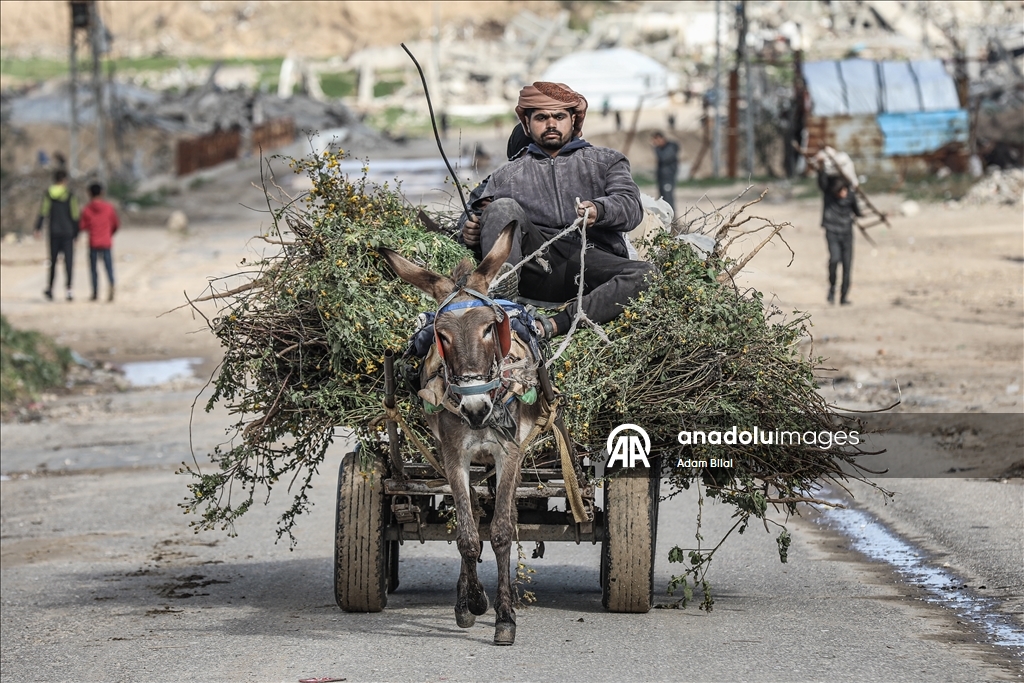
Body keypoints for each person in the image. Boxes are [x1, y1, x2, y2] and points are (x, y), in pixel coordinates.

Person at [460, 81, 655, 339]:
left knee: (645, 274)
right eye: (541, 117)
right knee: (502, 207)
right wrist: (468, 230)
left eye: (559, 116)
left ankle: (552, 325)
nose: (551, 123)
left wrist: (599, 209)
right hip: (537, 266)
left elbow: (630, 206)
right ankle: (504, 306)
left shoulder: (606, 161)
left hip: (590, 261)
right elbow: (473, 213)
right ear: (527, 125)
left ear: (573, 121)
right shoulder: (506, 175)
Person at [818, 169, 863, 305]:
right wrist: (821, 166)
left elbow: (858, 212)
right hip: (832, 231)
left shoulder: (851, 196)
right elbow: (822, 181)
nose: (842, 194)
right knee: (834, 259)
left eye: (844, 190)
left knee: (847, 266)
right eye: (839, 192)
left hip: (847, 234)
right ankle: (832, 288)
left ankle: (843, 297)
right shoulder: (828, 196)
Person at [34, 169, 80, 301]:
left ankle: (50, 288)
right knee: (69, 261)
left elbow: (43, 211)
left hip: (54, 231)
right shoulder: (70, 195)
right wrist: (76, 232)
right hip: (67, 232)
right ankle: (69, 290)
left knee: (53, 261)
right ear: (64, 180)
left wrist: (38, 227)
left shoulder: (48, 194)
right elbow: (75, 214)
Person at [79, 181, 120, 302]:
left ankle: (95, 292)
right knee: (109, 267)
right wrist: (109, 233)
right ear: (102, 193)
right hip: (106, 241)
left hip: (93, 242)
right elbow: (116, 224)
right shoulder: (109, 208)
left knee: (93, 269)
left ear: (89, 194)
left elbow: (82, 226)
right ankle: (111, 284)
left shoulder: (87, 209)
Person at [651, 131, 680, 211]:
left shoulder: (670, 148)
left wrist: (656, 148)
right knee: (662, 199)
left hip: (668, 177)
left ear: (662, 139)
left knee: (668, 199)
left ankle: (673, 220)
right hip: (662, 178)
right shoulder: (663, 149)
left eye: (656, 140)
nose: (655, 143)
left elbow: (663, 158)